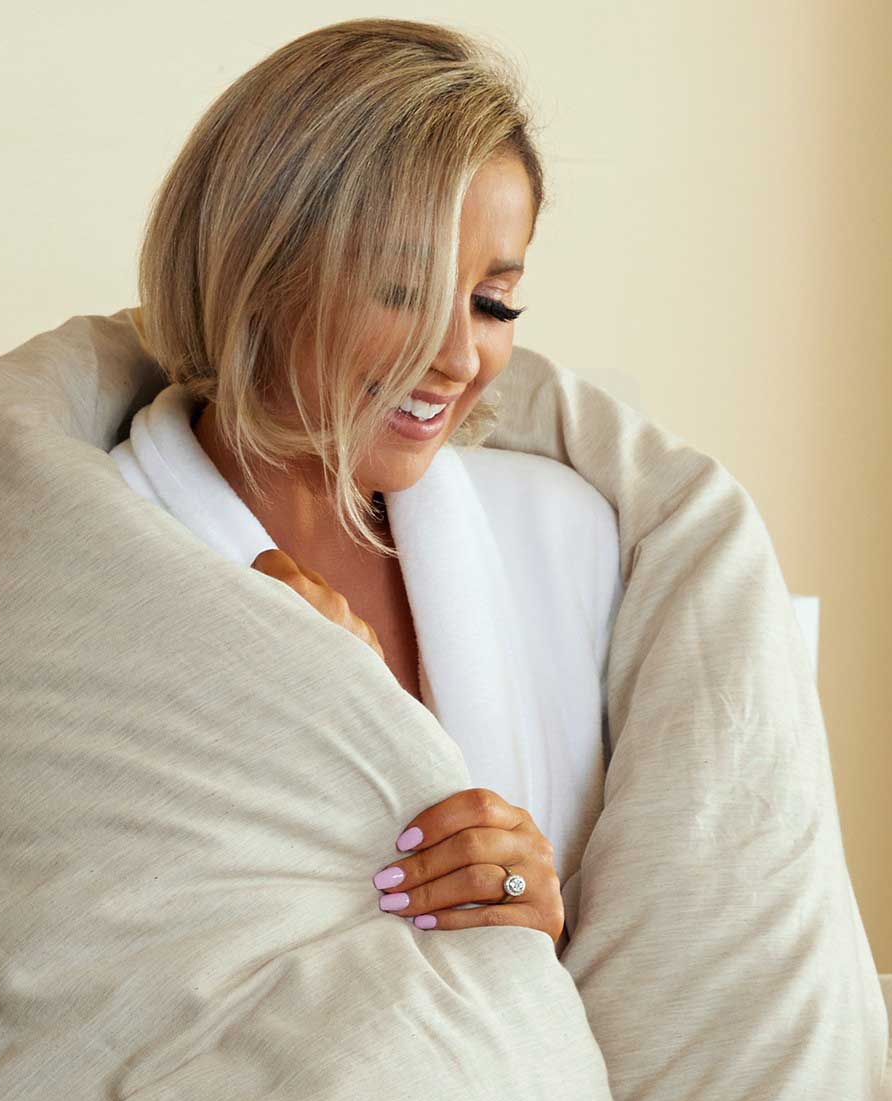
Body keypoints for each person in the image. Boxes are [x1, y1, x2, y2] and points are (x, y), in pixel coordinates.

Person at [111, 17, 622, 953]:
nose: (460, 356)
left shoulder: (567, 540)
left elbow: (629, 956)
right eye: (405, 292)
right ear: (262, 272)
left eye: (494, 302)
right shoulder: (101, 551)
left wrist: (534, 920)